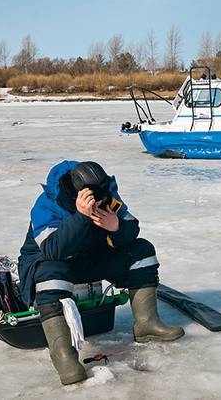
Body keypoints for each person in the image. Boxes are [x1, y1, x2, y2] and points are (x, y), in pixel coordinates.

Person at [18, 160, 184, 385]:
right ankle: (64, 357)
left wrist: (116, 227)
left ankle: (147, 324)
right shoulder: (48, 204)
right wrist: (81, 217)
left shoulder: (105, 192)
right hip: (54, 264)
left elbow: (131, 228)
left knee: (142, 251)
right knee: (50, 272)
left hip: (90, 257)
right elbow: (52, 250)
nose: (102, 203)